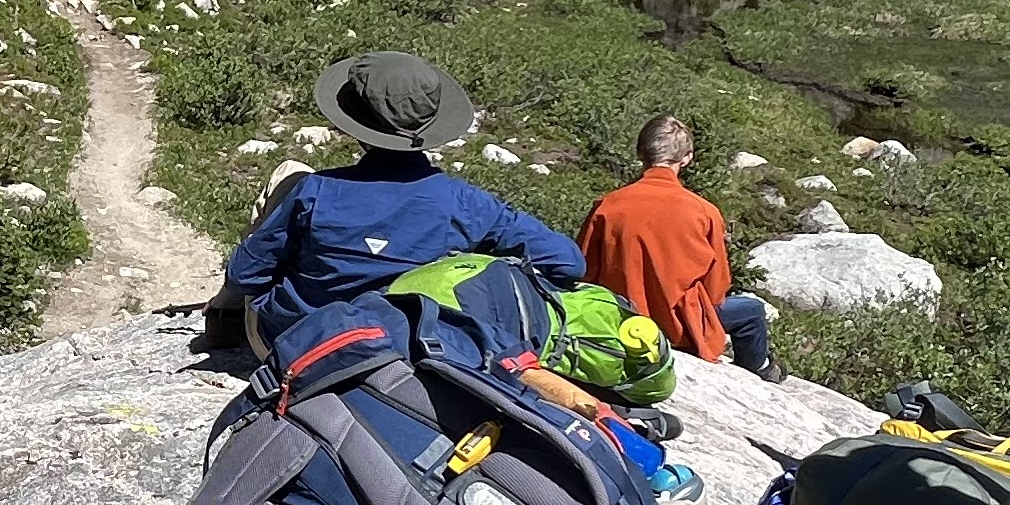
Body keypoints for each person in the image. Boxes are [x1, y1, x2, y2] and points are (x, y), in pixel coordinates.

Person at [221, 52, 585, 350]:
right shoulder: (465, 202)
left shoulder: (314, 190)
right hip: (402, 347)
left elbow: (244, 273)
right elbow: (567, 262)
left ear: (355, 124)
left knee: (290, 171)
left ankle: (220, 316)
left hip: (296, 342)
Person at [578, 114, 781, 380]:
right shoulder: (704, 212)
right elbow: (716, 290)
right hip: (678, 327)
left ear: (641, 153)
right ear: (687, 158)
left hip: (622, 322)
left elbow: (584, 271)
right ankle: (762, 370)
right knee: (751, 311)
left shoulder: (608, 205)